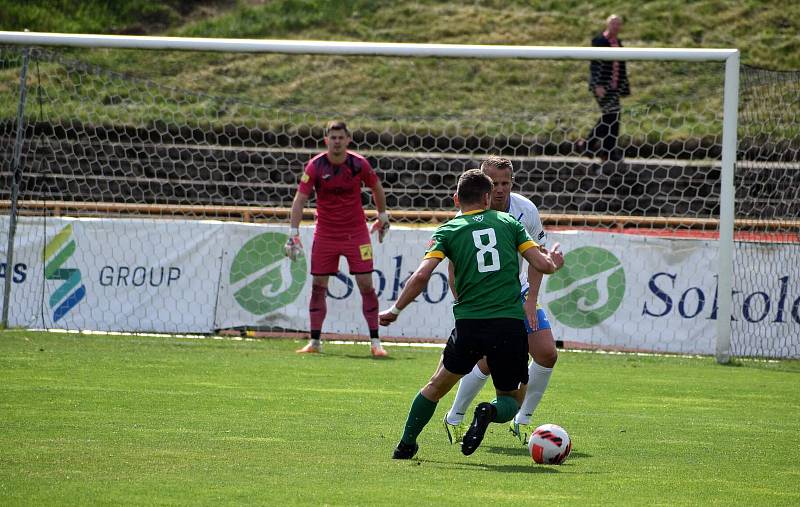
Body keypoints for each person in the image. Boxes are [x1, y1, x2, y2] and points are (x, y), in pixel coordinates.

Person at [379, 169, 564, 459]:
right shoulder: (509, 223)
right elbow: (540, 264)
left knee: (435, 385)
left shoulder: (448, 230)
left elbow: (421, 275)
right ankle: (487, 411)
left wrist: (395, 309)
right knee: (511, 401)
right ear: (488, 198)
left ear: (456, 199)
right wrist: (555, 263)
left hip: (469, 325)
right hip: (508, 324)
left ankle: (406, 444)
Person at [442, 156, 560, 447]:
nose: (500, 189)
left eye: (506, 183)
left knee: (547, 353)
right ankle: (454, 417)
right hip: (481, 299)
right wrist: (466, 305)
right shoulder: (466, 216)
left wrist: (531, 299)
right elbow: (454, 269)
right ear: (483, 184)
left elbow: (536, 257)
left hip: (516, 291)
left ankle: (522, 422)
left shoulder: (525, 210)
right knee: (485, 361)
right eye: (494, 183)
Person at [285, 120, 391, 357]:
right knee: (318, 286)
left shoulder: (358, 163)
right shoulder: (315, 166)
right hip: (326, 234)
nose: (336, 141)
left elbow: (377, 188)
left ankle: (375, 343)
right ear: (326, 141)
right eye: (332, 137)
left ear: (348, 140)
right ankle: (314, 341)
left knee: (366, 285)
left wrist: (382, 216)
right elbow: (300, 198)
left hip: (356, 234)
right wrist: (293, 233)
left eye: (340, 137)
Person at [582, 14, 630, 171]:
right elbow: (595, 64)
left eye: (618, 24)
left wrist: (624, 87)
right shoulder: (599, 41)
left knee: (613, 117)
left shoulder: (618, 43)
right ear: (607, 24)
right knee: (611, 115)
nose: (616, 26)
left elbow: (620, 67)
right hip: (602, 87)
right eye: (613, 23)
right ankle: (595, 147)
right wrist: (597, 84)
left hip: (614, 87)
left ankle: (601, 149)